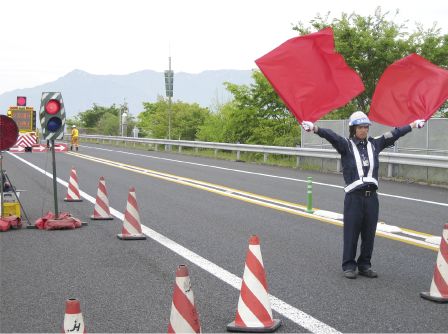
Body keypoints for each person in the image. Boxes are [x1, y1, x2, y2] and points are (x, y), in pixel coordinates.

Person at [302, 112, 425, 279]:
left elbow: (394, 133)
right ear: (353, 129)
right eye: (360, 127)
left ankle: (365, 265)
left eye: (366, 127)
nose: (363, 130)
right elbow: (332, 136)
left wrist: (412, 125)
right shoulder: (346, 145)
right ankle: (349, 265)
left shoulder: (375, 144)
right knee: (351, 232)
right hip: (354, 196)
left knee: (369, 233)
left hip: (372, 197)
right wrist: (315, 128)